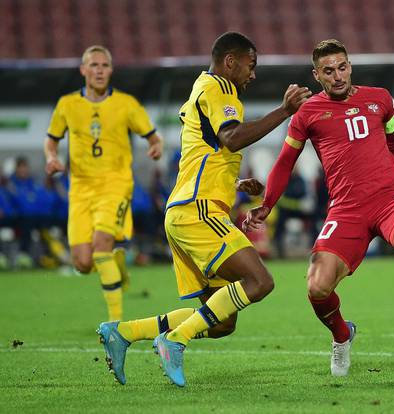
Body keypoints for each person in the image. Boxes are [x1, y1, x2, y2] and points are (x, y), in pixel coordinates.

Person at [244, 39, 394, 377]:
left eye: (341, 67)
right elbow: (285, 161)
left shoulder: (380, 99)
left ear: (349, 66)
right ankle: (342, 336)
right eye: (328, 71)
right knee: (316, 286)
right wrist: (267, 205)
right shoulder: (308, 113)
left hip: (388, 198)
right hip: (346, 209)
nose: (337, 76)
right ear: (316, 75)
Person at [96, 32, 311, 387]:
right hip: (198, 212)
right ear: (231, 62)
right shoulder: (220, 90)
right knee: (259, 281)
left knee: (222, 321)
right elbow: (231, 138)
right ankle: (174, 341)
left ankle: (123, 332)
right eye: (250, 65)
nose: (252, 74)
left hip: (184, 211)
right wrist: (285, 111)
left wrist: (236, 185)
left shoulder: (202, 87)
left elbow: (207, 150)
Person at [44, 45, 164, 321]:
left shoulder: (126, 104)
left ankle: (115, 325)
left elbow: (153, 137)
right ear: (83, 70)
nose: (99, 71)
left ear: (111, 70)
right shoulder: (67, 105)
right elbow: (52, 139)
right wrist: (52, 158)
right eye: (94, 65)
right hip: (81, 188)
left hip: (115, 183)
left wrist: (155, 147)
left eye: (104, 65)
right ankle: (118, 265)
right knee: (83, 263)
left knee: (101, 247)